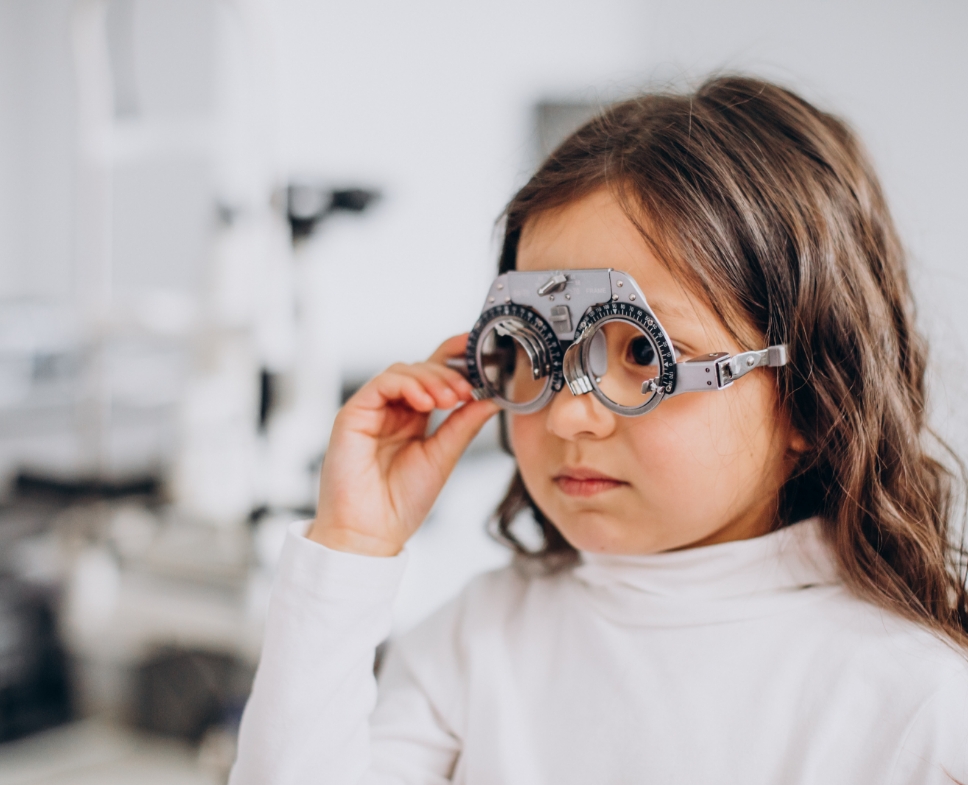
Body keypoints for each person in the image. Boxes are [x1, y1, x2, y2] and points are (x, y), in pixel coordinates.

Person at [229, 76, 968, 784]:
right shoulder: (478, 641)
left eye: (644, 351)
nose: (567, 412)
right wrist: (351, 548)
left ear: (810, 398)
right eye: (533, 348)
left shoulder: (913, 707)